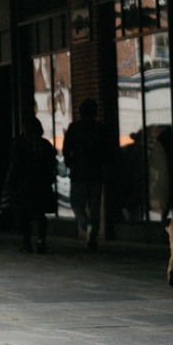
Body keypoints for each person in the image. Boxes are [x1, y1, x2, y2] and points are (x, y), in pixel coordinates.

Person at [61, 99, 115, 250]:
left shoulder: (74, 127)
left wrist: (70, 163)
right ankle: (92, 236)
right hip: (96, 173)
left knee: (76, 203)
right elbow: (106, 151)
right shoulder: (101, 128)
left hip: (78, 174)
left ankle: (86, 225)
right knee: (94, 207)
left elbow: (66, 149)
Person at [4, 117, 58, 254]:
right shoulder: (45, 144)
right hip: (41, 185)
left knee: (24, 215)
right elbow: (52, 164)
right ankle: (41, 241)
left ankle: (26, 243)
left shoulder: (19, 144)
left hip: (24, 187)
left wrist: (9, 182)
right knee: (40, 214)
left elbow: (15, 165)